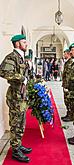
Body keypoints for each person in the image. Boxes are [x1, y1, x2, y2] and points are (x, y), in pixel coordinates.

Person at [0, 34, 32, 162]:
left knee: (21, 123)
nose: (26, 44)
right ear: (17, 43)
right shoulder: (12, 57)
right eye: (24, 42)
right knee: (15, 123)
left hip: (22, 96)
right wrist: (22, 78)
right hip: (15, 96)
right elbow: (3, 72)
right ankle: (15, 151)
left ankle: (18, 144)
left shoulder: (21, 57)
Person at [61, 48, 73, 122]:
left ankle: (70, 115)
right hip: (65, 84)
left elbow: (69, 75)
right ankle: (68, 113)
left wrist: (67, 86)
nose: (64, 55)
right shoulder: (67, 62)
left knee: (69, 101)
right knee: (66, 101)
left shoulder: (70, 62)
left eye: (65, 53)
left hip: (68, 86)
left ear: (68, 54)